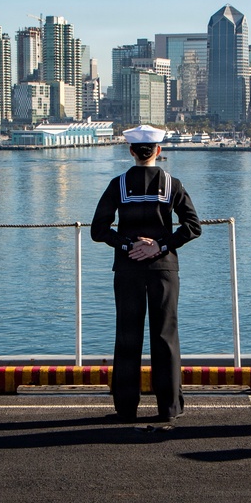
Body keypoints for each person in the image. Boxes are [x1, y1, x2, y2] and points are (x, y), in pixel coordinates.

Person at [91, 125, 202, 423]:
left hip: (127, 270)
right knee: (165, 337)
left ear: (131, 151)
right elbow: (193, 226)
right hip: (164, 270)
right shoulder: (172, 184)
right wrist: (160, 245)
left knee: (128, 337)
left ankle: (126, 408)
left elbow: (98, 230)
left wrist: (128, 244)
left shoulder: (118, 185)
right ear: (158, 151)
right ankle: (168, 408)